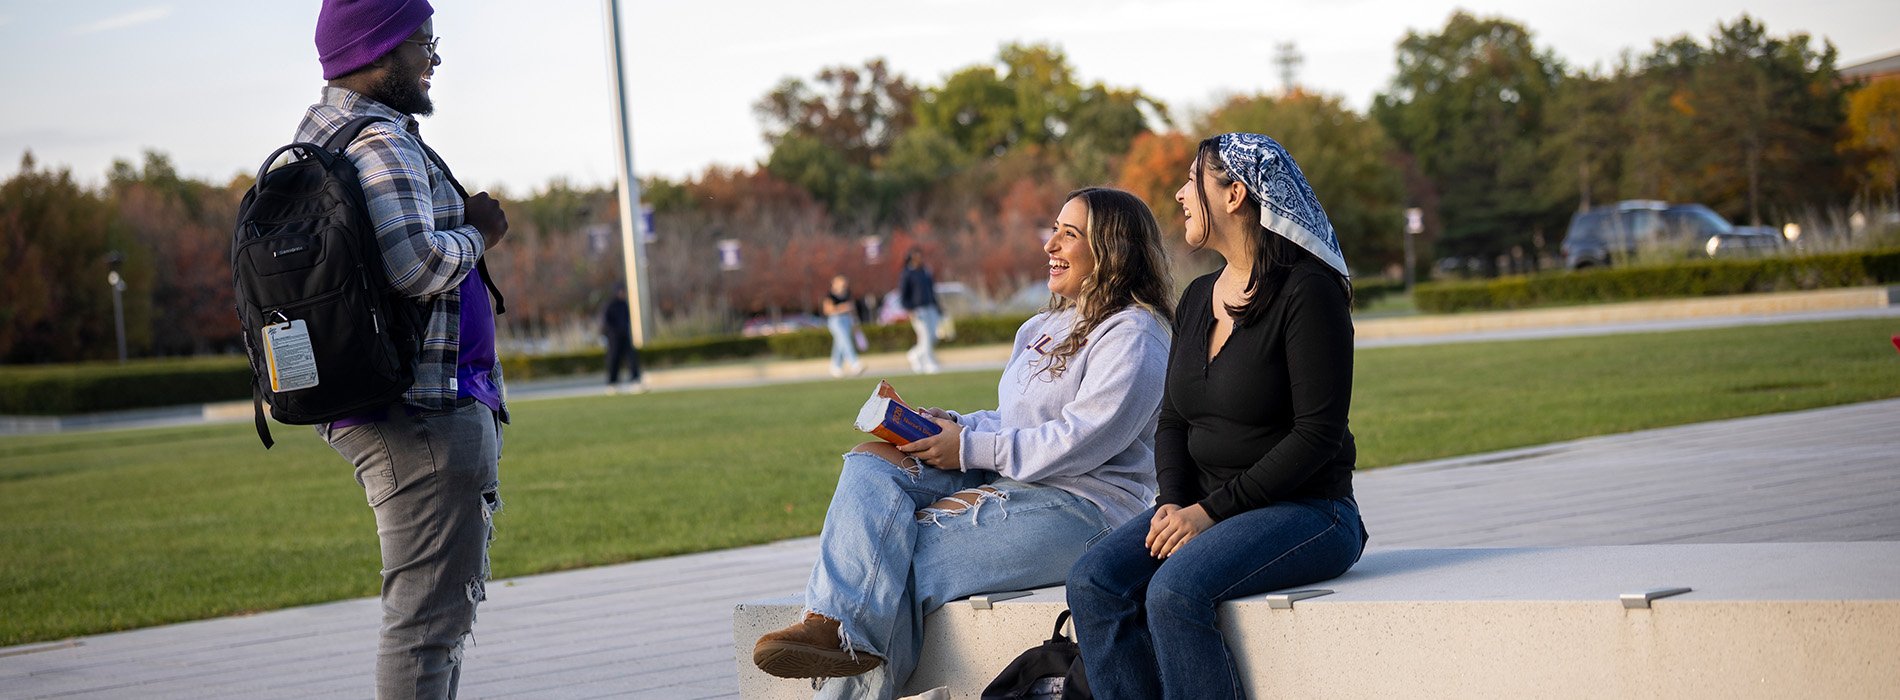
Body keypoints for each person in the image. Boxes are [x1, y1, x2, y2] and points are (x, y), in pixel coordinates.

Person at [752, 188, 1176, 699]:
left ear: (1113, 249)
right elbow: (1014, 419)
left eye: (1070, 233)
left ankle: (844, 636)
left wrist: (969, 448)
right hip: (1013, 479)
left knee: (898, 567)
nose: (1050, 245)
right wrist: (947, 425)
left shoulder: (1135, 333)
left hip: (1086, 510)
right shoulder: (1042, 326)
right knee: (870, 464)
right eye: (1054, 229)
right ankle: (831, 628)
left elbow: (1082, 440)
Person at [1067, 133, 1370, 700]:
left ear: (1234, 194)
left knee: (1177, 592)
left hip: (1310, 511)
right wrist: (1174, 504)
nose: (1180, 195)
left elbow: (1317, 435)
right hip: (1203, 506)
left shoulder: (1308, 294)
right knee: (1094, 580)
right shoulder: (1198, 296)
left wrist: (1210, 513)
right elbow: (1174, 420)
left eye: (1191, 180)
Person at [303, 1, 511, 696]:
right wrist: (480, 233)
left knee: (427, 622)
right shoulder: (382, 139)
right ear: (379, 49)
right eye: (425, 41)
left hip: (383, 407)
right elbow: (415, 265)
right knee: (426, 627)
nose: (435, 57)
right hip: (423, 413)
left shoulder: (319, 131)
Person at [898, 249, 943, 374]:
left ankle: (915, 354)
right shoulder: (907, 273)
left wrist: (938, 308)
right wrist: (909, 309)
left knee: (933, 335)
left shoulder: (925, 271)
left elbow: (932, 290)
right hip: (918, 309)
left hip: (930, 307)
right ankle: (928, 362)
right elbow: (903, 294)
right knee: (925, 336)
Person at [601, 285, 645, 393]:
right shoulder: (610, 305)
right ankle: (612, 383)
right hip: (614, 338)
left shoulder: (624, 304)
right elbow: (606, 321)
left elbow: (627, 319)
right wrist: (612, 332)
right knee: (614, 359)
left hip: (624, 336)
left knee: (631, 357)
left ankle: (635, 380)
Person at [824, 275, 866, 378]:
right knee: (844, 340)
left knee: (840, 343)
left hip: (847, 319)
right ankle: (854, 363)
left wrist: (855, 321)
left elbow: (852, 308)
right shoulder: (830, 296)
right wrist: (842, 308)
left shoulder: (847, 294)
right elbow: (827, 310)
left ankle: (835, 366)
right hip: (836, 320)